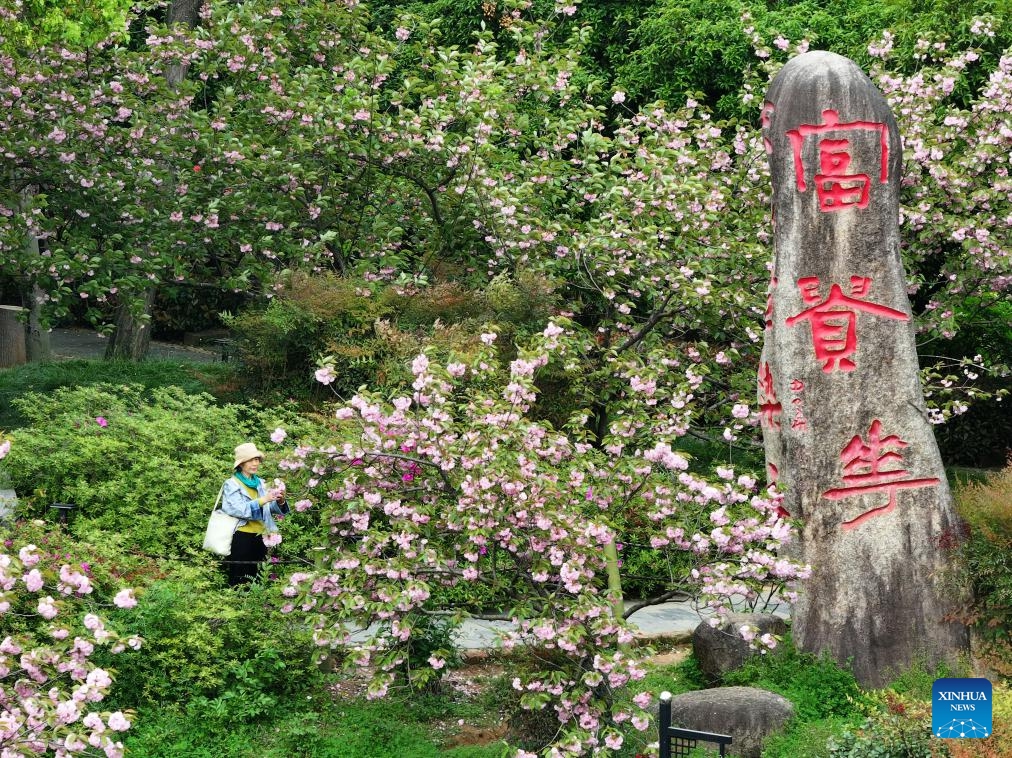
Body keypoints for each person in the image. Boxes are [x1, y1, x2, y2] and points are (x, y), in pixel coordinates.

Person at [221, 442, 289, 586]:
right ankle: (237, 599)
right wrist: (263, 499)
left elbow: (268, 508)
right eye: (250, 460)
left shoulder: (262, 483)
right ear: (241, 464)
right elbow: (237, 509)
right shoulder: (231, 484)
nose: (255, 463)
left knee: (259, 576)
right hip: (241, 535)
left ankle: (256, 600)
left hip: (262, 535)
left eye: (257, 459)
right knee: (240, 577)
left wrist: (280, 501)